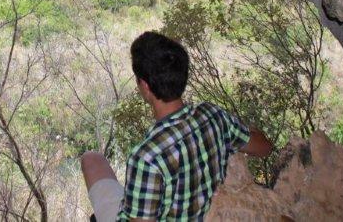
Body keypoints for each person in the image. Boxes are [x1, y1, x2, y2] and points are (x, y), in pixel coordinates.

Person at [81, 31, 273, 221]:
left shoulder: (146, 157)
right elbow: (265, 148)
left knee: (90, 159)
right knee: (92, 159)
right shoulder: (213, 115)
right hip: (202, 212)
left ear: (145, 86)